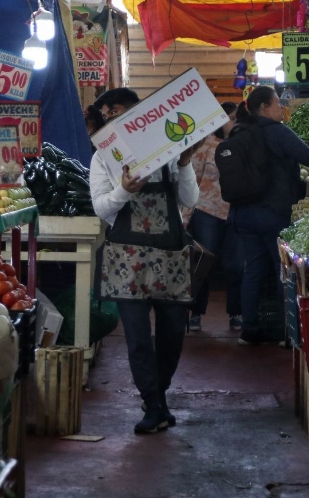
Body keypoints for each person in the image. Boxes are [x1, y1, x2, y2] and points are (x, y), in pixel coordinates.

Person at [90, 87, 202, 434]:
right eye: (109, 113)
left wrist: (184, 163)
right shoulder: (102, 159)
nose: (114, 118)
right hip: (127, 259)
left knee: (172, 334)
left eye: (121, 111)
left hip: (170, 256)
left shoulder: (169, 151)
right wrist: (124, 189)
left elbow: (189, 199)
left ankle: (161, 394)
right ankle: (152, 403)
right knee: (138, 337)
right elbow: (102, 208)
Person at [229, 86, 309, 345]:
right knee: (283, 270)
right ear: (263, 107)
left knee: (253, 270)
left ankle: (248, 330)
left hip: (244, 213)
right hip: (273, 212)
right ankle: (287, 332)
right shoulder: (277, 132)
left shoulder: (242, 131)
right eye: (276, 104)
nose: (280, 108)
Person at [183, 102, 242, 332]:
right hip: (207, 211)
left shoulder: (241, 144)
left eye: (237, 118)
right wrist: (186, 217)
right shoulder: (205, 145)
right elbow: (192, 180)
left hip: (236, 212)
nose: (235, 123)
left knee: (236, 265)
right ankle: (196, 312)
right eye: (231, 118)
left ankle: (236, 312)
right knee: (203, 262)